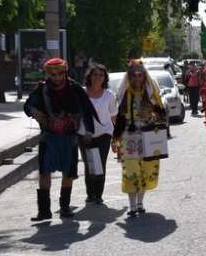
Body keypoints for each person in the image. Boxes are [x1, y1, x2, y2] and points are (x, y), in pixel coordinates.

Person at [23, 58, 97, 220]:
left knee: (68, 173)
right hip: (48, 137)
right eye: (53, 74)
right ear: (48, 74)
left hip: (69, 137)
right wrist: (33, 110)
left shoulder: (74, 88)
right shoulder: (42, 89)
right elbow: (27, 105)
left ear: (65, 72)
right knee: (44, 172)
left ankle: (65, 207)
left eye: (59, 73)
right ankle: (44, 210)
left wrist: (89, 131)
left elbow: (86, 109)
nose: (56, 77)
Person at [112, 60, 168, 216]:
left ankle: (140, 203)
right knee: (131, 170)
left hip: (147, 136)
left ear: (144, 77)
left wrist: (150, 114)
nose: (137, 79)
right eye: (134, 76)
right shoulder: (124, 94)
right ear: (129, 77)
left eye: (140, 76)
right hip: (129, 137)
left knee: (144, 170)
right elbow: (121, 119)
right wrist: (115, 139)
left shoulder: (150, 94)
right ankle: (131, 206)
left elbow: (162, 114)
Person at [78, 63, 118, 204]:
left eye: (101, 75)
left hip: (104, 133)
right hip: (84, 133)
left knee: (99, 163)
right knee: (89, 163)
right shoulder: (81, 93)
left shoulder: (109, 95)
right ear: (90, 76)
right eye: (95, 74)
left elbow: (114, 115)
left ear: (104, 78)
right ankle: (90, 194)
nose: (98, 77)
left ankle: (98, 194)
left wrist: (118, 134)